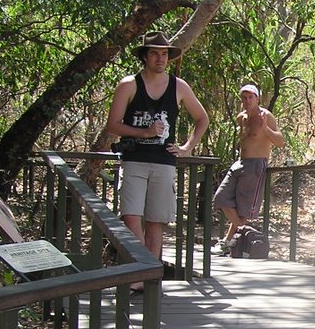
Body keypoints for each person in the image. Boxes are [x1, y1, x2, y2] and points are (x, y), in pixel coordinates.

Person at [106, 31, 209, 289]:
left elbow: (202, 118)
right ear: (144, 57)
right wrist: (144, 132)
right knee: (131, 218)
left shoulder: (179, 86)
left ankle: (148, 278)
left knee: (155, 221)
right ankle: (140, 271)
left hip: (163, 161)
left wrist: (186, 147)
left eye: (164, 54)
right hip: (134, 160)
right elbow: (113, 125)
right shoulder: (129, 85)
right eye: (154, 53)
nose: (160, 59)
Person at [212, 84, 285, 254]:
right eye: (244, 98)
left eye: (251, 97)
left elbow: (281, 142)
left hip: (255, 165)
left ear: (258, 98)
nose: (247, 101)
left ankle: (227, 242)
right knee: (221, 197)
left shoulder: (266, 116)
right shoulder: (241, 117)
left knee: (244, 208)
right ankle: (242, 231)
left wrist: (265, 128)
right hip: (239, 163)